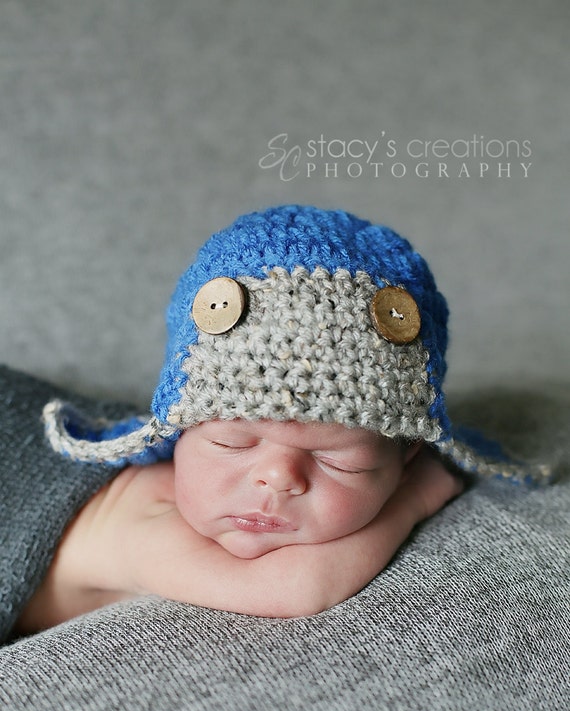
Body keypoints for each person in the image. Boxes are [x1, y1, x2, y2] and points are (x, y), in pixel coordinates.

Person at [9, 205, 549, 637]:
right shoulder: (149, 520)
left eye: (336, 459)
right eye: (232, 441)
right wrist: (419, 495)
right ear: (177, 433)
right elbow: (293, 590)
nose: (278, 477)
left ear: (405, 450)